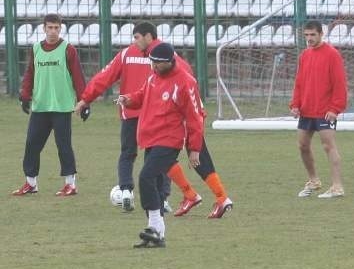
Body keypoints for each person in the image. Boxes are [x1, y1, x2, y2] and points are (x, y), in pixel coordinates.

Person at [74, 21, 232, 218]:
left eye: (137, 37)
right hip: (159, 121)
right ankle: (191, 196)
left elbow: (188, 87)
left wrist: (195, 117)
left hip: (178, 119)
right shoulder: (145, 59)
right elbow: (123, 84)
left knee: (194, 156)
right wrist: (126, 99)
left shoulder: (166, 57)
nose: (134, 41)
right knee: (165, 159)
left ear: (148, 37)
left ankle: (219, 198)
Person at [117, 42, 205, 247]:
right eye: (152, 62)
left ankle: (155, 225)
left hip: (169, 140)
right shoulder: (153, 77)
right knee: (155, 182)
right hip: (151, 138)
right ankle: (158, 233)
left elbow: (195, 117)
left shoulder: (185, 82)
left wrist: (195, 149)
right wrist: (128, 99)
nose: (153, 66)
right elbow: (141, 96)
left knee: (145, 177)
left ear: (169, 62)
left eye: (157, 63)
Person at [12, 13, 87, 197]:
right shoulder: (36, 48)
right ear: (44, 28)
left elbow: (78, 76)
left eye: (56, 27)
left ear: (60, 29)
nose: (53, 31)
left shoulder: (68, 49)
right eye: (50, 27)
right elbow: (30, 73)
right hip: (40, 106)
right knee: (32, 144)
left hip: (61, 107)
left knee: (63, 145)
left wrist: (85, 101)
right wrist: (25, 95)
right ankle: (31, 183)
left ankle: (70, 184)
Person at [290, 20, 348, 199]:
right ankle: (314, 180)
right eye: (306, 35)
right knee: (302, 145)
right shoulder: (304, 55)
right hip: (307, 110)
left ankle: (337, 186)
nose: (309, 38)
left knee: (328, 146)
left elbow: (340, 84)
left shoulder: (332, 55)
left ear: (321, 34)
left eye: (312, 35)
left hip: (325, 111)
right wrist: (295, 104)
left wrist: (335, 108)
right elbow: (299, 82)